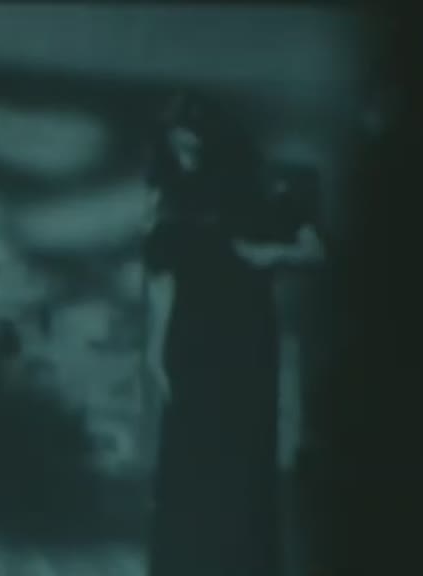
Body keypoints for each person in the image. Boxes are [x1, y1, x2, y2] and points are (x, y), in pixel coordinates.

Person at [142, 93, 327, 576]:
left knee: (242, 459)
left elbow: (315, 249)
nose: (183, 156)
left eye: (191, 146)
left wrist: (269, 256)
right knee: (188, 461)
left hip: (245, 340)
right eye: (175, 146)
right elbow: (161, 278)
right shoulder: (169, 195)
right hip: (190, 341)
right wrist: (154, 349)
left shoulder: (257, 195)